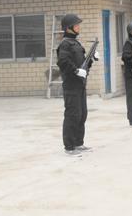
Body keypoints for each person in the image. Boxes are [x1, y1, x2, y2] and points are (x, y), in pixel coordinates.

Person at [57, 13, 97, 156]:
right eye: (76, 25)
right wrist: (75, 71)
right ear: (69, 28)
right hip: (71, 86)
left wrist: (91, 59)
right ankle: (69, 147)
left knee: (82, 114)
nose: (79, 26)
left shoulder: (76, 43)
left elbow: (83, 65)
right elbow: (63, 62)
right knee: (72, 115)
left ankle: (79, 143)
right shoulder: (65, 44)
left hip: (80, 85)